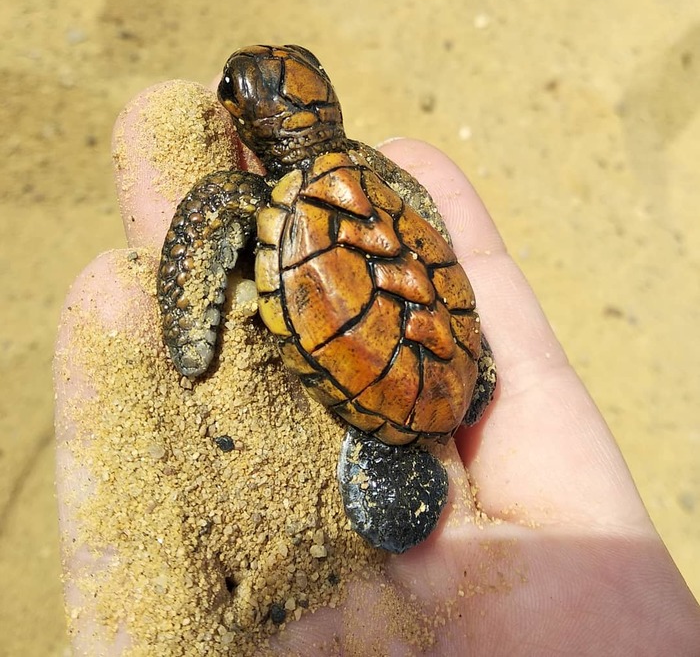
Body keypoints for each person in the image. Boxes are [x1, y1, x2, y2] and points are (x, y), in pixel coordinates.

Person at [54, 78, 700, 656]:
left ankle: (389, 450)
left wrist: (189, 335)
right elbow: (426, 223)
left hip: (382, 377)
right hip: (455, 357)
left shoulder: (240, 196)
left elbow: (205, 279)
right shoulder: (371, 169)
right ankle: (458, 392)